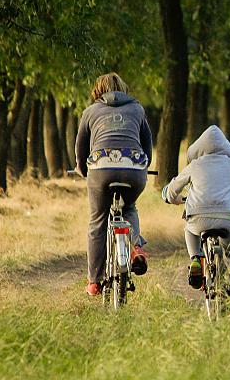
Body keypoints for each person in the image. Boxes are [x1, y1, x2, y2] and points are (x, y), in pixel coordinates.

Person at [75, 72, 153, 296]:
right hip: (134, 168)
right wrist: (143, 166)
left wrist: (83, 171)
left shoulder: (90, 112)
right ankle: (136, 247)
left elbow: (81, 150)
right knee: (129, 208)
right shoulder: (137, 109)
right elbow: (147, 145)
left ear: (98, 91)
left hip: (101, 168)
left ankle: (94, 281)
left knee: (98, 220)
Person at [162, 125, 230, 300]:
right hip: (226, 218)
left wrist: (170, 197)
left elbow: (173, 189)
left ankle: (195, 258)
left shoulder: (194, 165)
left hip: (198, 219)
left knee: (190, 231)